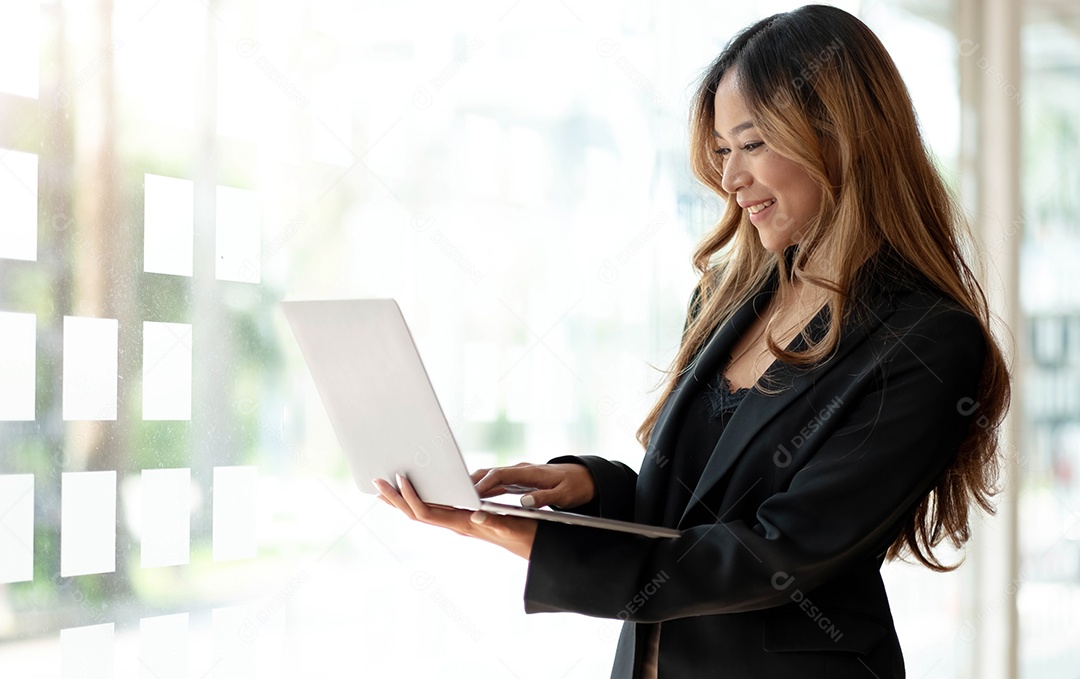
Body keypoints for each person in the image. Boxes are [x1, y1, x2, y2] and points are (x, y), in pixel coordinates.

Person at [373, 4, 1011, 677]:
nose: (731, 179)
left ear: (840, 135)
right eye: (722, 151)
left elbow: (778, 553)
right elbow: (701, 507)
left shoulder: (926, 343)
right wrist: (592, 489)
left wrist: (543, 546)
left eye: (754, 143)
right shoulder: (724, 297)